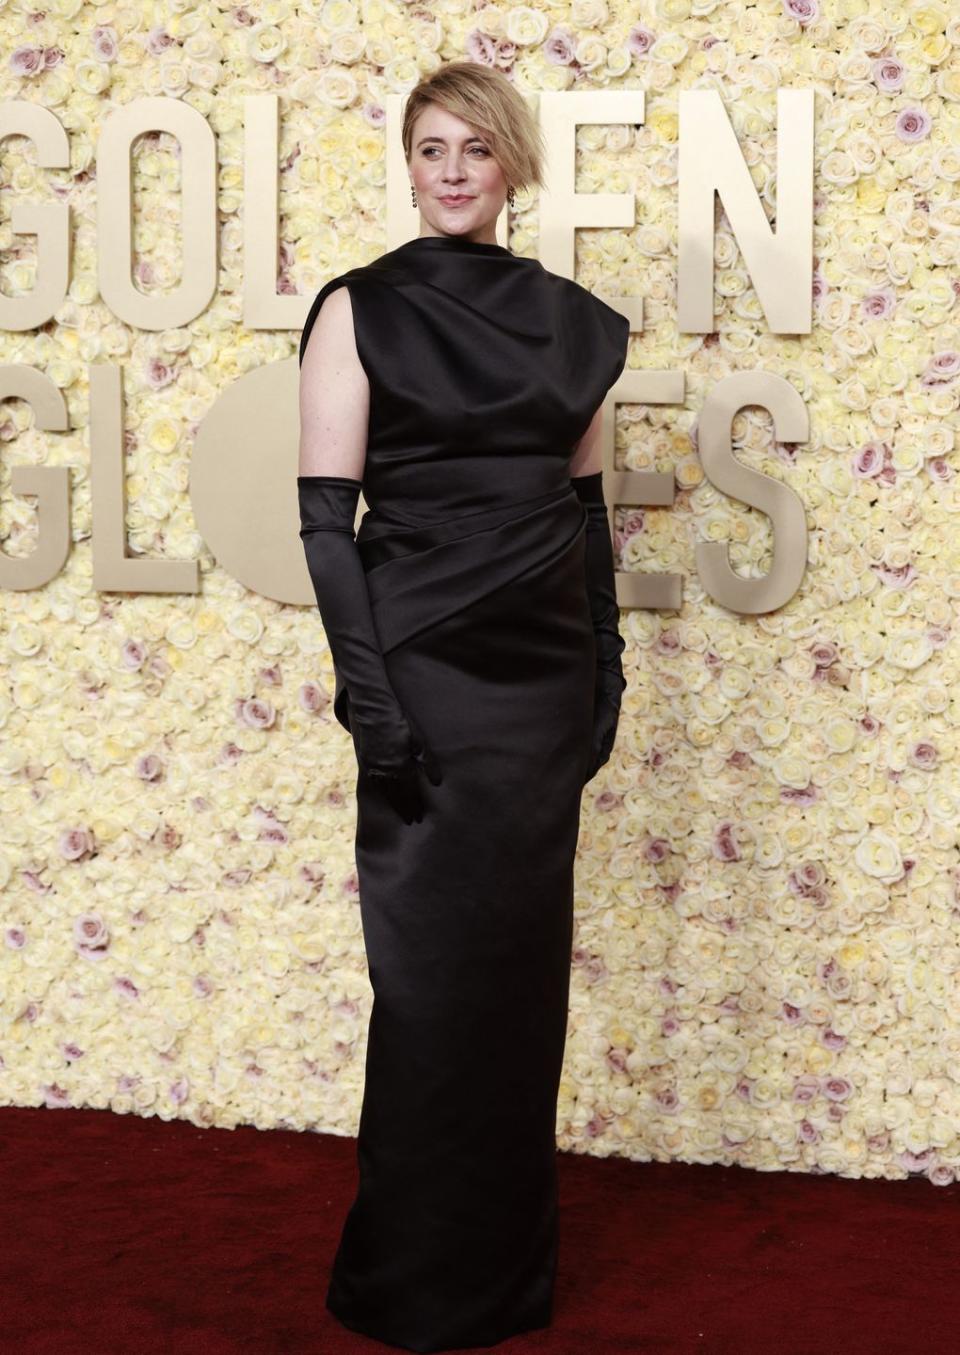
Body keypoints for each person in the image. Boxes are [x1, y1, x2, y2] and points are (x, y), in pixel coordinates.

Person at [296, 60, 630, 1354]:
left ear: (510, 166)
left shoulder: (577, 324)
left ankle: (501, 1285)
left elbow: (587, 522)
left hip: (538, 702)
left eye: (473, 149)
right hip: (422, 693)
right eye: (429, 147)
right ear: (409, 161)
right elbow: (329, 529)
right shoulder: (359, 312)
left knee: (516, 998)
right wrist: (372, 708)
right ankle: (409, 1284)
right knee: (429, 994)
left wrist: (605, 677)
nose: (449, 169)